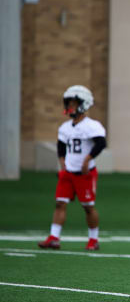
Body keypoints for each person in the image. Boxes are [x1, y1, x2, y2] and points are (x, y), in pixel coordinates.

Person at [38, 85, 107, 251]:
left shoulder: (92, 126)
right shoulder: (65, 128)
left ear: (83, 104)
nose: (70, 107)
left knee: (88, 207)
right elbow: (61, 146)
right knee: (60, 203)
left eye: (73, 103)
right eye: (68, 103)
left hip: (85, 174)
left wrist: (87, 160)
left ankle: (93, 239)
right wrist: (62, 162)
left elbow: (101, 143)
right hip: (68, 172)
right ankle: (54, 237)